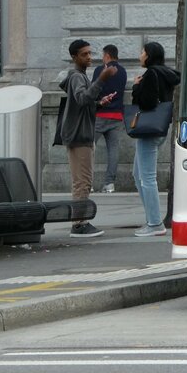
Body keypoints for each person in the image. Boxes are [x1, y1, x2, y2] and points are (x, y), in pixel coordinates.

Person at [60, 39, 117, 238]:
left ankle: (80, 222)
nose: (89, 57)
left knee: (84, 180)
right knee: (82, 182)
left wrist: (99, 103)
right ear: (74, 57)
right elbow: (82, 99)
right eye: (85, 54)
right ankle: (79, 224)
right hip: (79, 136)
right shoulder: (76, 76)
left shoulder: (80, 76)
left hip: (81, 134)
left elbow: (85, 104)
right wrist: (101, 79)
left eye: (90, 53)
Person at [131, 41, 180, 237]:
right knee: (137, 174)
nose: (140, 55)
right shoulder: (166, 73)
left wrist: (136, 88)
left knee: (147, 178)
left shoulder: (151, 74)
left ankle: (154, 222)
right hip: (158, 128)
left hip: (148, 130)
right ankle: (151, 218)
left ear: (149, 55)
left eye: (142, 51)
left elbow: (148, 102)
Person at [91, 45, 127, 193]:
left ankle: (88, 183)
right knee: (113, 150)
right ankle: (109, 183)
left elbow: (93, 90)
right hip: (117, 115)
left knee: (88, 148)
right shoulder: (123, 71)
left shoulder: (100, 70)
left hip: (100, 114)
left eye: (102, 55)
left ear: (106, 55)